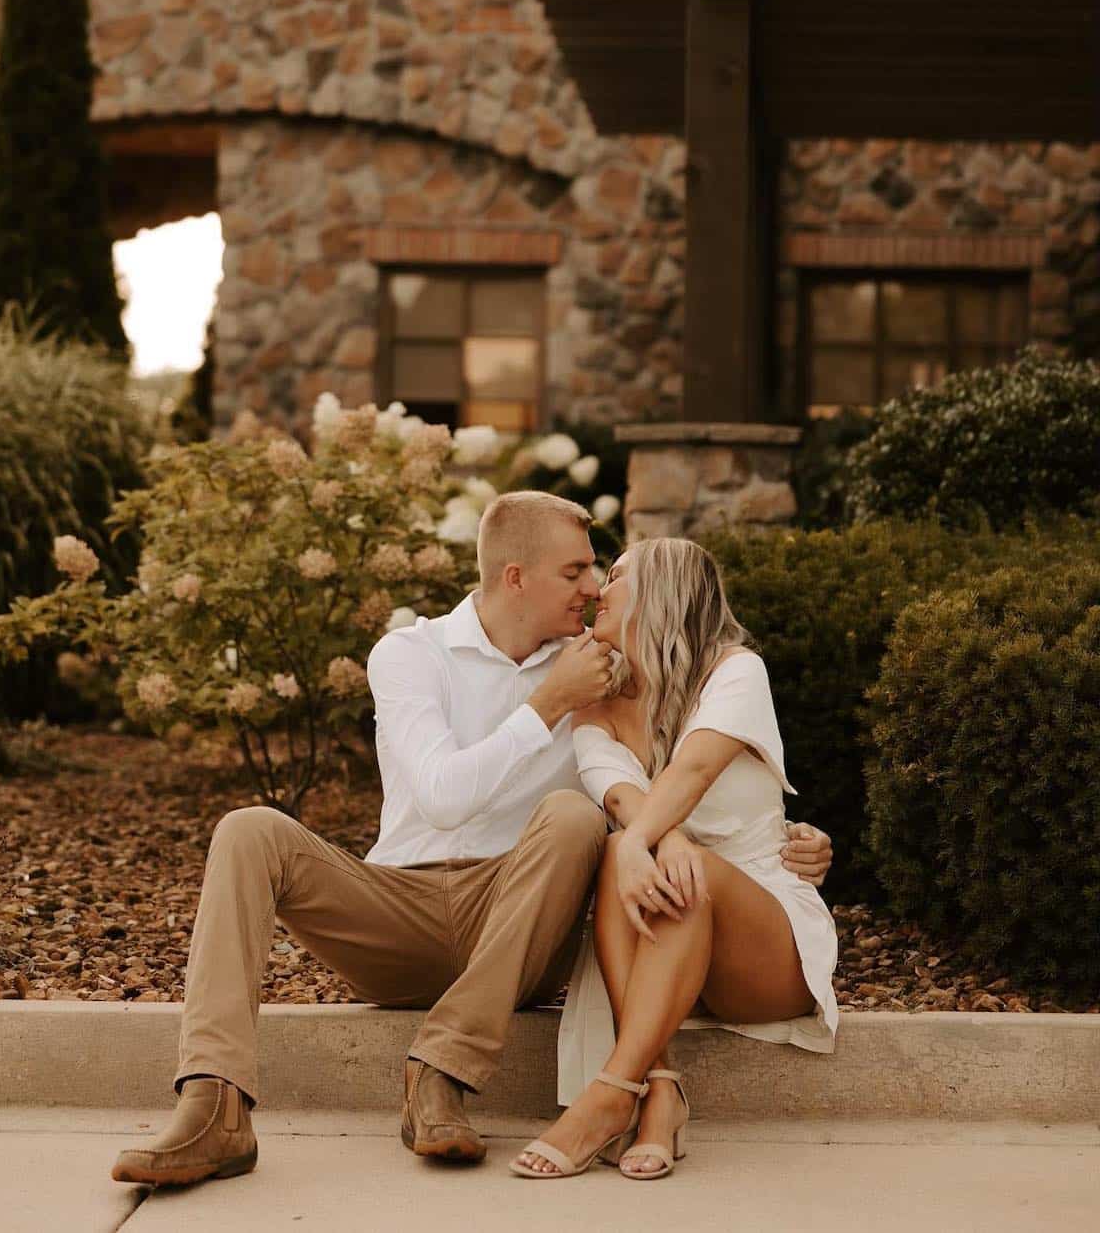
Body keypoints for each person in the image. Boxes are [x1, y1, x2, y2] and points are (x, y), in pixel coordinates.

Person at [111, 493, 832, 1187]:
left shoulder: (603, 668)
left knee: (576, 819)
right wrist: (547, 702)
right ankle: (213, 1106)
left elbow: (663, 770)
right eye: (575, 571)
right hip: (396, 906)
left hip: (520, 918)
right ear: (515, 577)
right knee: (248, 829)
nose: (590, 588)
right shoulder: (413, 655)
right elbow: (444, 798)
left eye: (599, 572)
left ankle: (442, 1074)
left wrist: (779, 839)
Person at [511, 538, 838, 1181]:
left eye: (617, 575)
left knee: (654, 860)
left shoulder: (736, 671)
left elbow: (693, 768)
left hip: (765, 946)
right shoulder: (595, 709)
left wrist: (646, 841)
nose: (599, 589)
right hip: (664, 935)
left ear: (663, 589)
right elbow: (621, 793)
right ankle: (658, 1093)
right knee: (629, 852)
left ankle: (608, 1095)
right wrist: (658, 839)